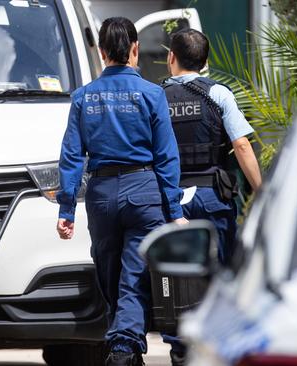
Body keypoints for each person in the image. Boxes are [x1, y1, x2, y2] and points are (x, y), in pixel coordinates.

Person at [56, 17, 187, 366]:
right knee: (133, 277)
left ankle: (123, 344)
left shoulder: (83, 98)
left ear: (101, 53)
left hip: (100, 196)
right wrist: (174, 209)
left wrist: (66, 210)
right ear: (134, 49)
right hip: (144, 192)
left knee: (109, 274)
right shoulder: (152, 94)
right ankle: (124, 347)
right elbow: (166, 156)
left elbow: (71, 156)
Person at [160, 28, 263, 365]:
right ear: (205, 62)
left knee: (173, 275)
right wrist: (262, 191)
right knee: (220, 277)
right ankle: (219, 345)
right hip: (212, 196)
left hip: (172, 199)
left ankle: (179, 349)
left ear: (171, 58)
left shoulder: (155, 96)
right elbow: (242, 144)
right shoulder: (218, 93)